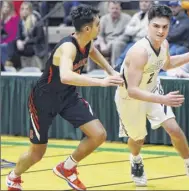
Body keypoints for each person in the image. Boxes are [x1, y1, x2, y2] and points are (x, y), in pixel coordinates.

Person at [6, 4, 124, 191]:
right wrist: (101, 81)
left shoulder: (87, 42)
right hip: (43, 100)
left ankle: (67, 167)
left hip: (67, 97)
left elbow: (93, 52)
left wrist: (111, 71)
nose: (99, 27)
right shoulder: (68, 47)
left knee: (98, 134)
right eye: (97, 24)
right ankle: (14, 177)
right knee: (37, 154)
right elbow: (66, 76)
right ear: (87, 29)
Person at [115, 4, 189, 188]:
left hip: (152, 89)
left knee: (174, 129)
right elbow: (132, 90)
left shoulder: (164, 44)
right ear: (148, 25)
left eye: (165, 27)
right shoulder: (139, 52)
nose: (161, 31)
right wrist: (164, 99)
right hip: (130, 98)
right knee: (138, 139)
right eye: (156, 26)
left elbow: (167, 64)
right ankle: (135, 160)